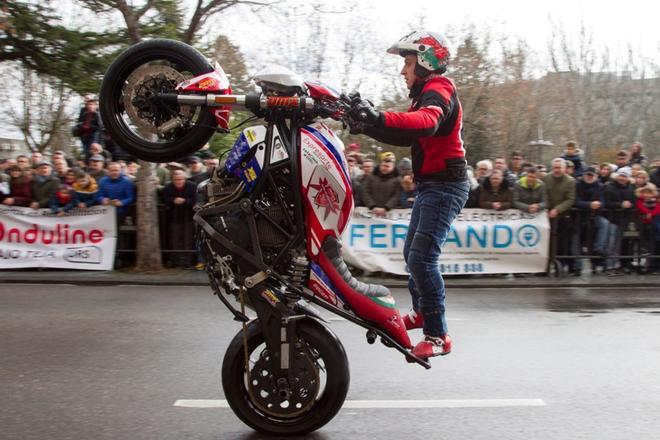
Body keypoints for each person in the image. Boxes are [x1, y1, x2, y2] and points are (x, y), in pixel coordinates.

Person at [345, 30, 468, 358]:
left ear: (426, 61)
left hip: (446, 185)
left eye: (408, 63)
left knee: (422, 258)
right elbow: (405, 135)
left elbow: (425, 123)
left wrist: (377, 116)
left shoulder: (439, 88)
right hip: (432, 185)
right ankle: (423, 312)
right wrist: (365, 124)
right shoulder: (424, 93)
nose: (403, 71)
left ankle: (439, 335)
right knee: (412, 252)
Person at [543, 158, 579, 275]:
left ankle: (563, 265)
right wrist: (546, 208)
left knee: (563, 242)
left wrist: (557, 210)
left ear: (564, 168)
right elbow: (543, 195)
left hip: (563, 216)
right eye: (555, 168)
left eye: (559, 168)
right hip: (547, 215)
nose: (557, 170)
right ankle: (546, 266)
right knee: (548, 242)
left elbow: (571, 199)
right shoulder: (546, 178)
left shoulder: (570, 181)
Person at [575, 167, 609, 272]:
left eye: (591, 175)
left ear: (596, 176)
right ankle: (577, 266)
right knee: (578, 239)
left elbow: (603, 202)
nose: (589, 177)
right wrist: (589, 204)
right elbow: (576, 202)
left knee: (605, 224)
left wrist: (598, 204)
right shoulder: (578, 185)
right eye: (587, 175)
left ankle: (598, 250)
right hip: (579, 217)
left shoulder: (600, 186)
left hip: (594, 215)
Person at [162, 170, 197, 267]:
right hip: (174, 217)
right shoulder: (168, 187)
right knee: (174, 239)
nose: (178, 182)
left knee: (188, 239)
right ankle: (175, 261)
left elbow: (196, 199)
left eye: (180, 179)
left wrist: (185, 201)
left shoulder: (192, 186)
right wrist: (173, 200)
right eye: (176, 180)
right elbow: (165, 198)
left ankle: (188, 261)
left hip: (189, 217)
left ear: (184, 179)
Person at [604, 168, 636, 274]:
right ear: (617, 176)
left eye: (625, 176)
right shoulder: (610, 187)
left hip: (626, 220)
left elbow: (634, 202)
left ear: (628, 178)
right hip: (613, 219)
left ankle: (621, 265)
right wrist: (620, 204)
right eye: (621, 176)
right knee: (612, 244)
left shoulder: (631, 188)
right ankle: (609, 266)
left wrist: (630, 205)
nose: (622, 178)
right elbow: (607, 203)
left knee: (624, 244)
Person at [635, 186, 660, 273]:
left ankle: (653, 265)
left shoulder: (655, 201)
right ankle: (647, 265)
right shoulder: (640, 200)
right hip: (643, 225)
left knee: (653, 246)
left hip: (653, 225)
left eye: (649, 193)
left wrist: (651, 213)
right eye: (645, 192)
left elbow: (658, 208)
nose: (647, 195)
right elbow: (640, 207)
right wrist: (648, 212)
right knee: (646, 246)